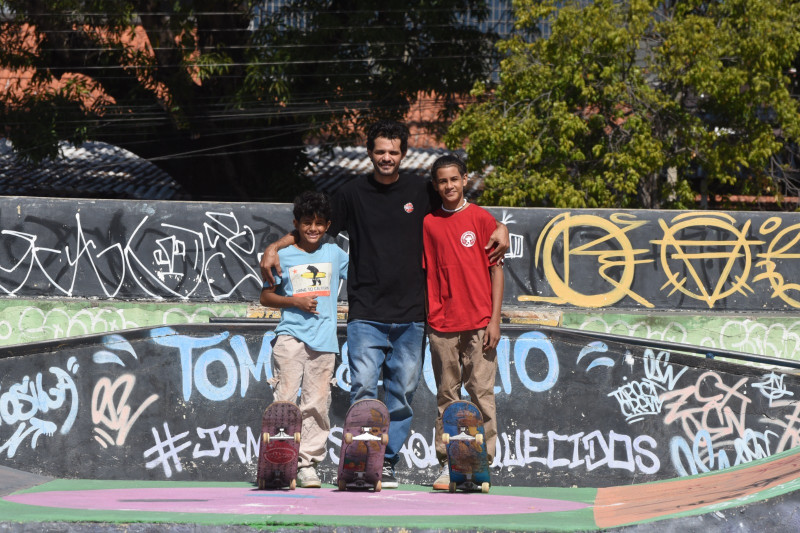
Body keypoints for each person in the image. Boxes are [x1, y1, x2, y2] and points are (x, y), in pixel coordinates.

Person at [260, 120, 509, 488]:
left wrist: (499, 227)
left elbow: (459, 206)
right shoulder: (351, 194)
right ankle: (361, 461)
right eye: (380, 151)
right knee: (362, 388)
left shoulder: (421, 190)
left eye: (393, 151)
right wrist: (274, 246)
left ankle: (386, 462)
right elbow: (314, 227)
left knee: (402, 393)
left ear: (403, 154)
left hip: (411, 315)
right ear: (370, 153)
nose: (387, 158)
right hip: (366, 313)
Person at [423, 154, 503, 491]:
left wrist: (495, 320)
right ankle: (449, 465)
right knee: (447, 397)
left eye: (454, 179)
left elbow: (496, 272)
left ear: (465, 179)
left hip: (480, 323)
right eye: (442, 181)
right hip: (441, 324)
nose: (448, 186)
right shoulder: (428, 222)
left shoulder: (483, 219)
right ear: (436, 185)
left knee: (482, 394)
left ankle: (481, 465)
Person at [260, 191, 348, 488]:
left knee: (317, 405)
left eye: (319, 223)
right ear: (296, 224)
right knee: (284, 401)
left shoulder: (335, 254)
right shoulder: (283, 256)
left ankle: (307, 464)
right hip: (290, 338)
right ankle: (279, 458)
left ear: (328, 225)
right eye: (307, 223)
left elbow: (365, 272)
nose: (313, 229)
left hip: (324, 341)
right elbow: (266, 296)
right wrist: (295, 302)